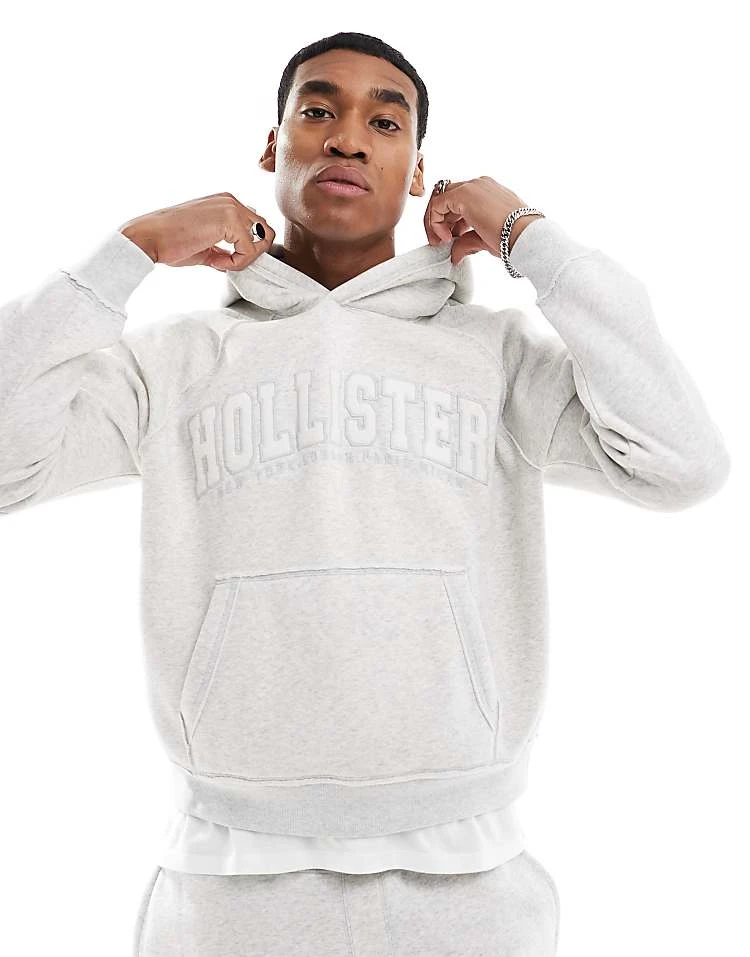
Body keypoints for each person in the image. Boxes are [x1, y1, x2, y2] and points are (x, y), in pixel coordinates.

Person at [0, 30, 730, 957]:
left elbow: (683, 460)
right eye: (318, 110)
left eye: (385, 122)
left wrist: (529, 237)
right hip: (230, 888)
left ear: (419, 171)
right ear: (272, 147)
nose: (347, 137)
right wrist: (129, 252)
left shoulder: (496, 358)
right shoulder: (172, 365)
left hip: (469, 888)